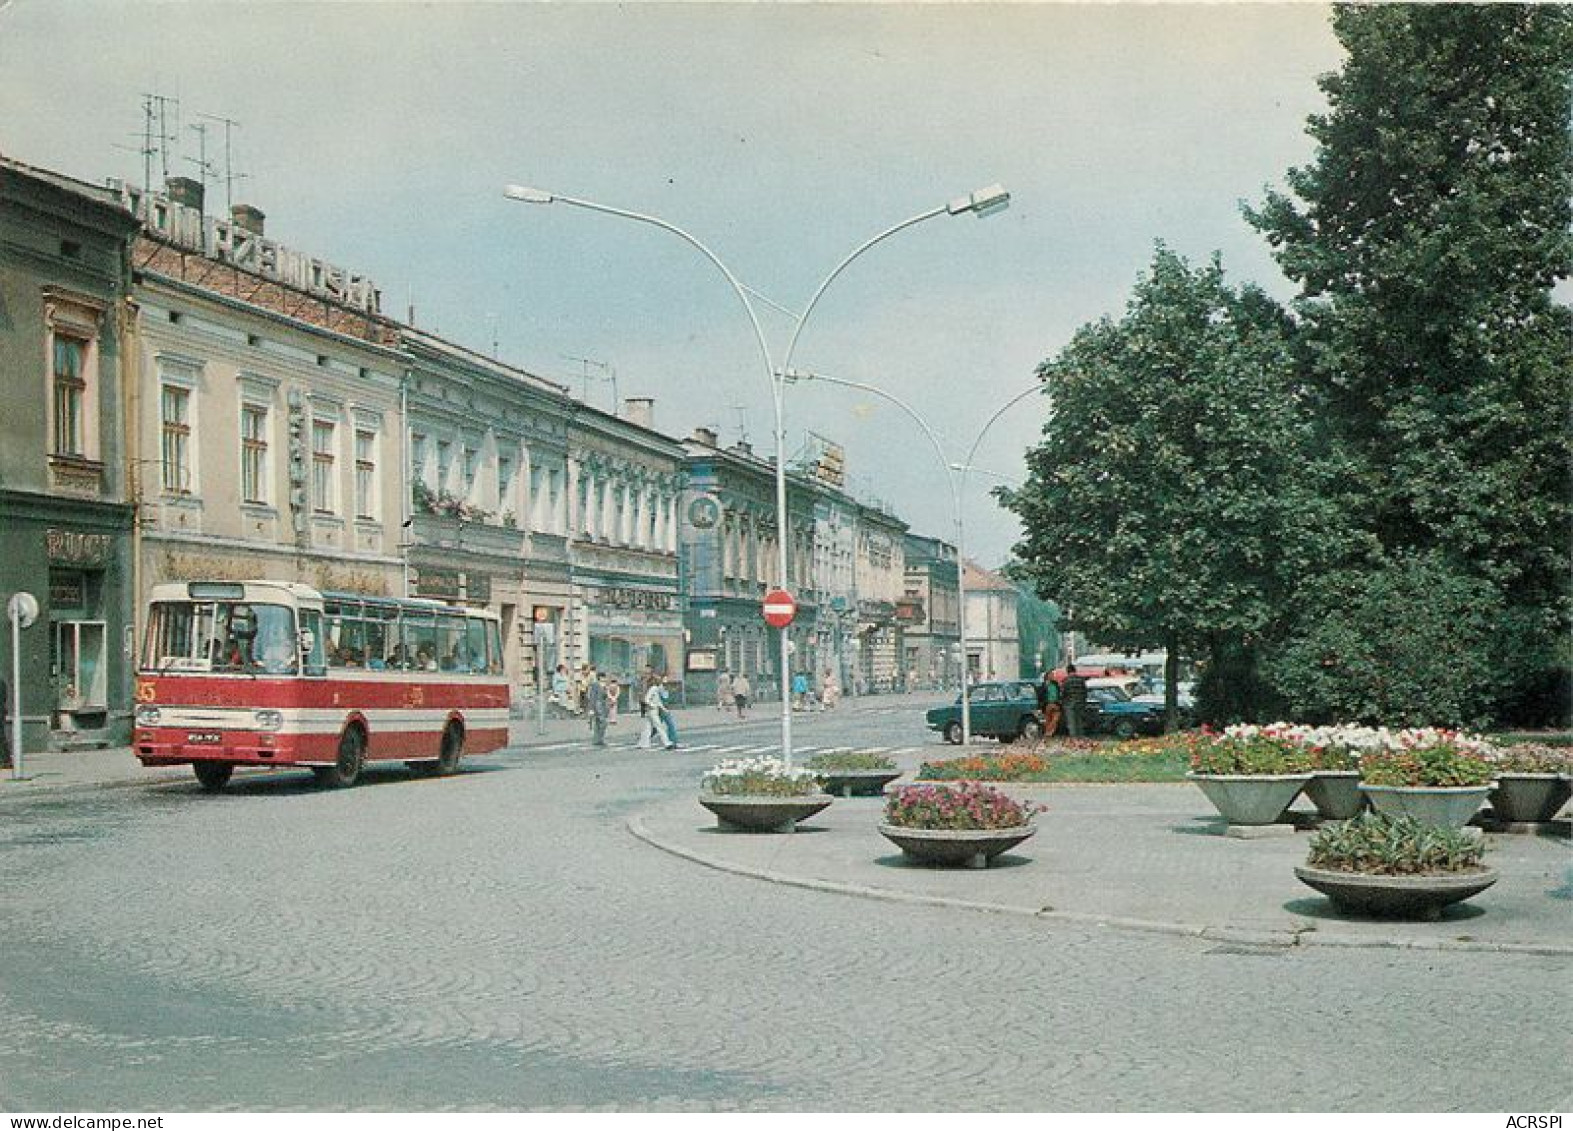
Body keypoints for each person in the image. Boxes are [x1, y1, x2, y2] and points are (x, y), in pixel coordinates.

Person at [1062, 662, 1089, 738]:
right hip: (1080, 703)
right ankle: (1081, 737)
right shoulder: (1081, 680)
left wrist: (1064, 703)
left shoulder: (1066, 681)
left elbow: (1063, 693)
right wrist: (1083, 701)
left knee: (1072, 723)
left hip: (1070, 704)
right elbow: (1085, 692)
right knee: (1079, 721)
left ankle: (1074, 739)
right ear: (1075, 670)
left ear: (1067, 671)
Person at [586, 668, 608, 746]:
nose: (605, 679)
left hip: (602, 706)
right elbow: (592, 697)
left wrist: (605, 689)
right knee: (602, 723)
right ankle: (598, 739)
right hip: (597, 706)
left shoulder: (604, 685)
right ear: (600, 677)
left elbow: (605, 696)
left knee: (600, 724)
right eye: (603, 677)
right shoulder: (595, 685)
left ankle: (598, 739)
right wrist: (591, 708)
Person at [1037, 670, 1062, 737]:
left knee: (1055, 719)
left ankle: (1048, 732)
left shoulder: (1055, 684)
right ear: (1047, 676)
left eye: (1053, 675)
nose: (1052, 676)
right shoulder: (1043, 685)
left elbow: (1059, 693)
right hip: (1047, 704)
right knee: (1047, 719)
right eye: (1051, 675)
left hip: (1055, 703)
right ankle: (1049, 733)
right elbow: (1040, 695)